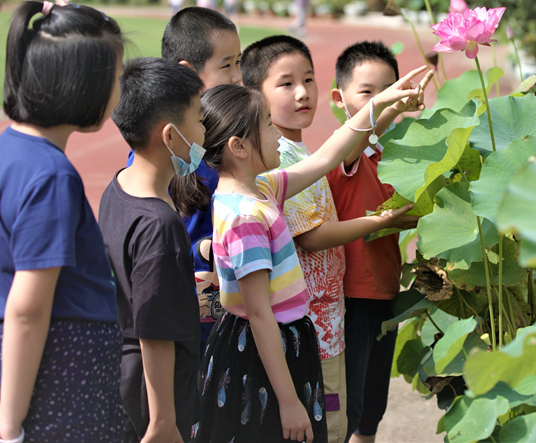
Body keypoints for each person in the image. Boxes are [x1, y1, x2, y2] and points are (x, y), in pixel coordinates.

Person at [183, 66, 428, 442]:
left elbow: (326, 157)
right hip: (263, 351)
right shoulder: (246, 218)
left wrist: (377, 104)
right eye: (267, 126)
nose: (276, 136)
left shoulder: (260, 188)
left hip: (281, 339)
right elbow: (260, 314)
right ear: (239, 146)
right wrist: (288, 401)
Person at [0, 0, 125, 442]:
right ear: (84, 85)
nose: (119, 90)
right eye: (115, 78)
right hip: (58, 382)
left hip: (15, 366)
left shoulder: (3, 153)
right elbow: (26, 308)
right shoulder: (50, 175)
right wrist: (8, 426)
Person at [100, 58, 204, 443]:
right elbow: (154, 332)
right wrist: (162, 422)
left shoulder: (118, 187)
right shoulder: (160, 225)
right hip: (152, 392)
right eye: (199, 118)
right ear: (171, 136)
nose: (205, 130)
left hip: (125, 375)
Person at [327, 41, 417, 443]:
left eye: (388, 89)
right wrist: (389, 108)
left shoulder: (391, 156)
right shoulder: (345, 151)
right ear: (339, 98)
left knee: (372, 409)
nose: (379, 101)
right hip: (350, 296)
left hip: (384, 291)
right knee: (346, 407)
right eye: (368, 92)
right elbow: (360, 136)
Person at [159, 6, 241, 352]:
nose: (238, 76)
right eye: (227, 65)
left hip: (227, 323)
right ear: (188, 74)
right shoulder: (167, 154)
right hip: (188, 328)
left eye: (240, 62)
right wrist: (203, 250)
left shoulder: (223, 142)